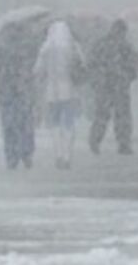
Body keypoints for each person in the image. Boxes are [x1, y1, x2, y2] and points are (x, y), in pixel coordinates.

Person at [0, 22, 41, 170]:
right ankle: (26, 153)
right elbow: (35, 70)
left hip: (7, 92)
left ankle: (12, 155)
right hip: (23, 91)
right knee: (25, 124)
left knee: (9, 125)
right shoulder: (29, 47)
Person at [33, 21, 85, 170]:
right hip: (70, 90)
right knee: (69, 124)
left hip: (51, 91)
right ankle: (68, 154)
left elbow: (37, 69)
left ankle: (58, 154)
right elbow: (82, 64)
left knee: (54, 124)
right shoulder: (73, 47)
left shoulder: (46, 48)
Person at [87, 20, 138, 155]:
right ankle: (123, 144)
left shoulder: (101, 44)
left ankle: (95, 141)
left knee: (102, 115)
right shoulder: (125, 46)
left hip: (105, 86)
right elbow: (133, 67)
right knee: (121, 116)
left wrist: (97, 78)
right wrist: (127, 75)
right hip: (119, 86)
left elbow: (91, 63)